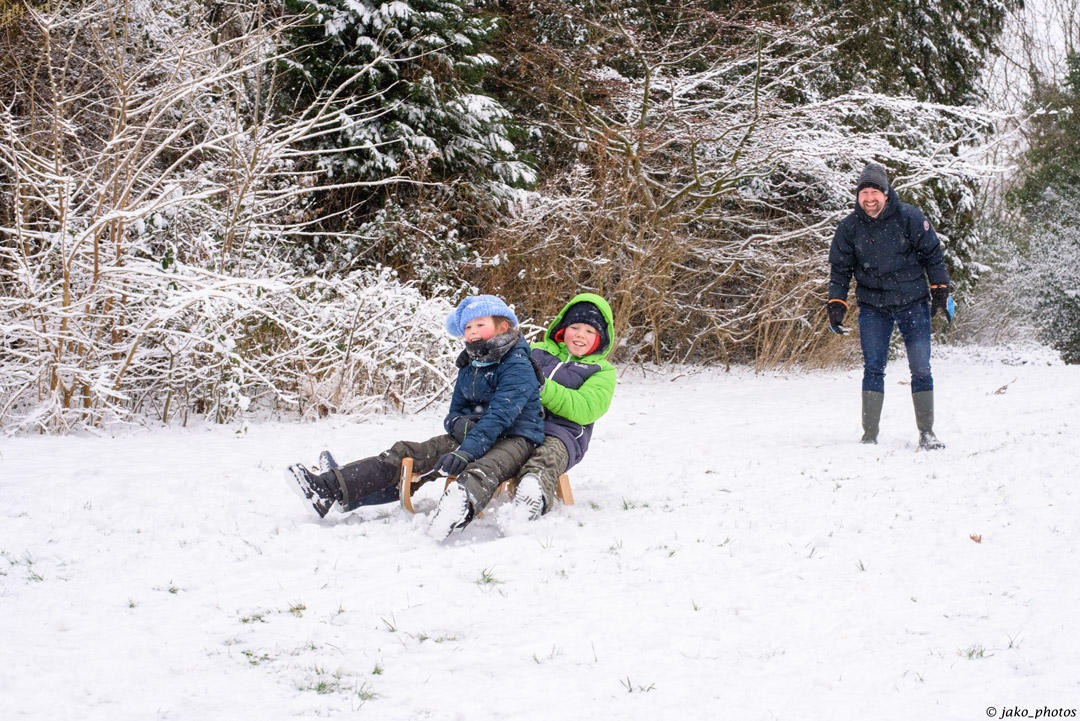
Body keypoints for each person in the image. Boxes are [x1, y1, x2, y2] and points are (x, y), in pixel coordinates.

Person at [285, 294, 545, 540]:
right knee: (410, 452)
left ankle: (457, 508)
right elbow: (454, 412)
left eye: (480, 324)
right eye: (467, 327)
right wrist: (457, 424)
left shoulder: (517, 364)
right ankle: (327, 489)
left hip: (515, 437)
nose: (472, 331)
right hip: (473, 434)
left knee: (485, 467)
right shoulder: (469, 365)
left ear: (503, 328)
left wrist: (465, 452)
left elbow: (500, 416)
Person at [827, 162, 953, 450]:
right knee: (873, 367)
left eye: (874, 192)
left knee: (921, 367)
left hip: (913, 302)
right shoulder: (849, 228)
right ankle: (869, 436)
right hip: (873, 306)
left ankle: (927, 433)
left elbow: (933, 255)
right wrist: (837, 303)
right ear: (858, 196)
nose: (869, 199)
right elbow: (840, 270)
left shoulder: (909, 217)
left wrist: (940, 292)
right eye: (864, 193)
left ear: (885, 193)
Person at [510, 293, 617, 519]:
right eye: (575, 327)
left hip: (564, 434)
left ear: (600, 338)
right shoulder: (538, 350)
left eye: (590, 331)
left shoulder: (601, 370)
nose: (581, 335)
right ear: (562, 328)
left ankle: (533, 495)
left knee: (547, 457)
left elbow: (586, 407)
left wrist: (543, 388)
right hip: (522, 424)